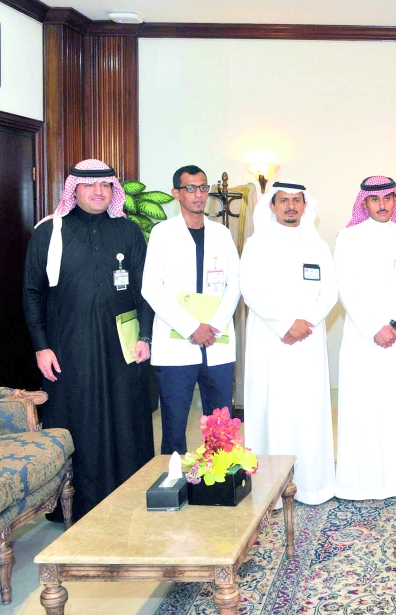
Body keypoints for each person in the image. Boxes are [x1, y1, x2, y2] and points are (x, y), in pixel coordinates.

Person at [23, 159, 154, 521]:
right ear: (73, 190)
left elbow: (145, 290)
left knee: (126, 418)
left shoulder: (129, 232)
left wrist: (145, 336)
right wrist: (41, 346)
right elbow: (32, 293)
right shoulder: (49, 233)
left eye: (105, 185)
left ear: (114, 190)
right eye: (89, 185)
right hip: (69, 347)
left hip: (123, 347)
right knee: (78, 420)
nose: (98, 192)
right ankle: (77, 505)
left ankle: (129, 497)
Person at [240, 180, 338, 505]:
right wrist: (285, 324)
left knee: (307, 409)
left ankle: (312, 485)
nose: (291, 206)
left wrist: (305, 322)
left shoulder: (318, 246)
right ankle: (269, 488)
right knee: (272, 407)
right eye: (284, 200)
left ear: (305, 206)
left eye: (297, 200)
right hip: (270, 339)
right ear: (272, 205)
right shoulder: (257, 244)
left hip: (308, 339)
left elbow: (330, 292)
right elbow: (250, 290)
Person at [333, 176, 396, 499]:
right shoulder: (348, 238)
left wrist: (395, 325)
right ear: (365, 203)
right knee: (364, 408)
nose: (382, 205)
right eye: (375, 199)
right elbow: (345, 287)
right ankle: (361, 482)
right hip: (363, 338)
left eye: (388, 198)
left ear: (395, 200)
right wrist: (374, 327)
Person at [142, 165, 241, 455]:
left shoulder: (221, 233)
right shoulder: (162, 233)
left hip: (217, 341)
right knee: (174, 427)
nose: (198, 194)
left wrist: (213, 325)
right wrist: (191, 327)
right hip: (177, 343)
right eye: (190, 188)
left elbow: (235, 283)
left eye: (203, 187)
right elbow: (151, 288)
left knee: (220, 427)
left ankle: (220, 477)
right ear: (176, 193)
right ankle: (173, 479)